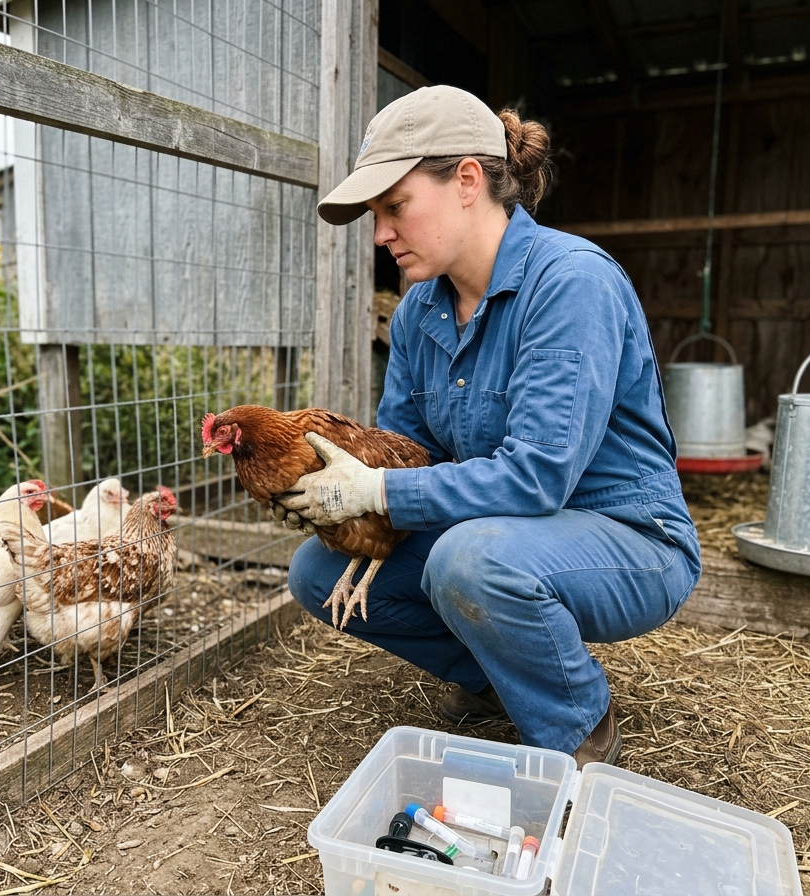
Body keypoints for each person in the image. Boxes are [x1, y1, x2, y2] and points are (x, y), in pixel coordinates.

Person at [277, 85, 701, 765]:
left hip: (628, 541)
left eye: (395, 206)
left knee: (468, 562)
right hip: (500, 534)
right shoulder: (419, 312)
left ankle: (579, 726)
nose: (381, 232)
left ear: (467, 181)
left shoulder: (569, 283)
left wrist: (378, 493)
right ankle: (500, 682)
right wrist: (338, 498)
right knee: (317, 572)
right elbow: (408, 455)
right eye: (376, 214)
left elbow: (538, 477)